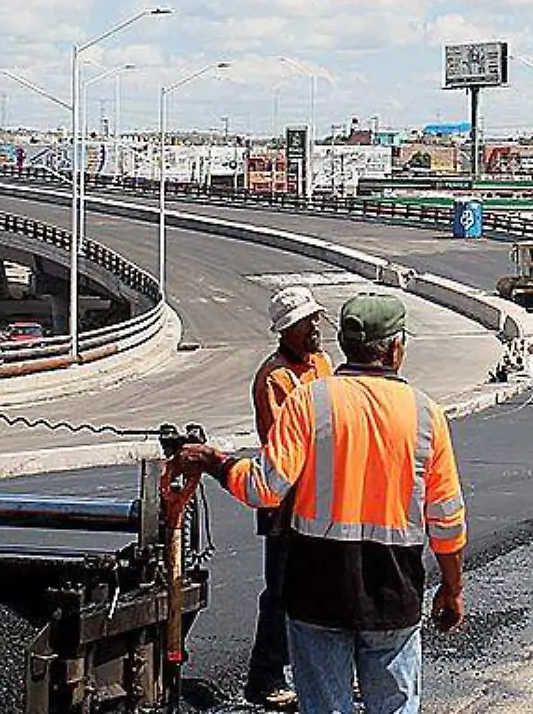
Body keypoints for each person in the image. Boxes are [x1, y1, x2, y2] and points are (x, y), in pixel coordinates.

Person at [176, 293, 467, 714]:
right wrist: (453, 588)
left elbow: (264, 488)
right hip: (394, 590)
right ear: (396, 348)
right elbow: (446, 518)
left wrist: (214, 461)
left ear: (345, 343)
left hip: (317, 589)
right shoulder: (425, 414)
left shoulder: (308, 400)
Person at [246, 286, 336, 710]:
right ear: (286, 330)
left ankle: (324, 670)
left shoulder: (322, 364)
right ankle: (265, 675)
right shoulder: (274, 378)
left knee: (323, 587)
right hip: (285, 498)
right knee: (281, 590)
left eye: (315, 319)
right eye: (306, 322)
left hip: (322, 496)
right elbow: (285, 444)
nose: (314, 326)